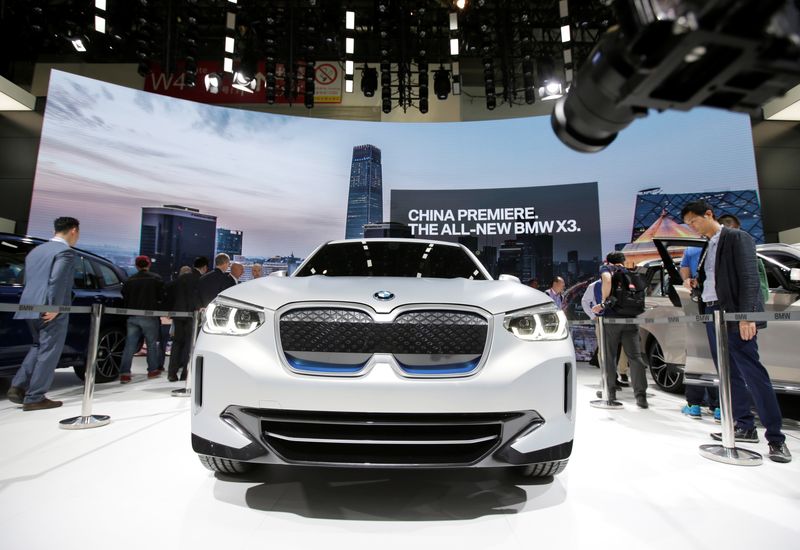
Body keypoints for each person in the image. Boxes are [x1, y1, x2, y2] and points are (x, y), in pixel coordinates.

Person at [681, 200, 790, 463]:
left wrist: (747, 315)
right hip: (713, 312)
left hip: (734, 314)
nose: (692, 228)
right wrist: (696, 282)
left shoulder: (737, 237)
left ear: (708, 214)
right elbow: (716, 279)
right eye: (688, 225)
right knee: (727, 374)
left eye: (694, 221)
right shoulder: (708, 246)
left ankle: (776, 438)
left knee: (752, 372)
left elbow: (749, 277)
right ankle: (743, 426)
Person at [6, 217, 80, 411]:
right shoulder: (65, 252)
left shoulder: (35, 251)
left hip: (29, 306)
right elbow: (57, 280)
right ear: (73, 230)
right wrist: (55, 307)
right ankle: (35, 397)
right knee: (49, 351)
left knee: (38, 346)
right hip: (51, 309)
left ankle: (18, 385)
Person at [592, 251, 649, 408]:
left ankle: (609, 392)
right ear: (623, 261)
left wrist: (603, 303)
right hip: (631, 319)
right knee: (635, 358)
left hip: (612, 318)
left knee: (609, 356)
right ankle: (641, 397)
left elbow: (607, 280)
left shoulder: (607, 269)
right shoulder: (630, 272)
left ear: (608, 261)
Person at [679, 244, 720, 420]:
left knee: (698, 354)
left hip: (699, 306)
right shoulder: (732, 245)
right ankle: (719, 406)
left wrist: (689, 282)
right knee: (720, 358)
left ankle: (695, 404)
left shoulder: (692, 250)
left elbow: (684, 274)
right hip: (723, 306)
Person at [119, 255, 164, 383]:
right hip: (149, 316)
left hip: (132, 316)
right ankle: (152, 370)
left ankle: (125, 373)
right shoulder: (156, 279)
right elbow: (161, 296)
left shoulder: (130, 280)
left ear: (136, 266)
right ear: (149, 264)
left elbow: (124, 296)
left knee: (129, 345)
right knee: (151, 344)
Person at [167, 257, 209, 382]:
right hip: (192, 315)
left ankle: (172, 373)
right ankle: (185, 374)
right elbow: (197, 297)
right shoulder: (200, 279)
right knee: (189, 345)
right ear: (204, 268)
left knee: (177, 343)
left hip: (178, 314)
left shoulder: (181, 278)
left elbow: (170, 291)